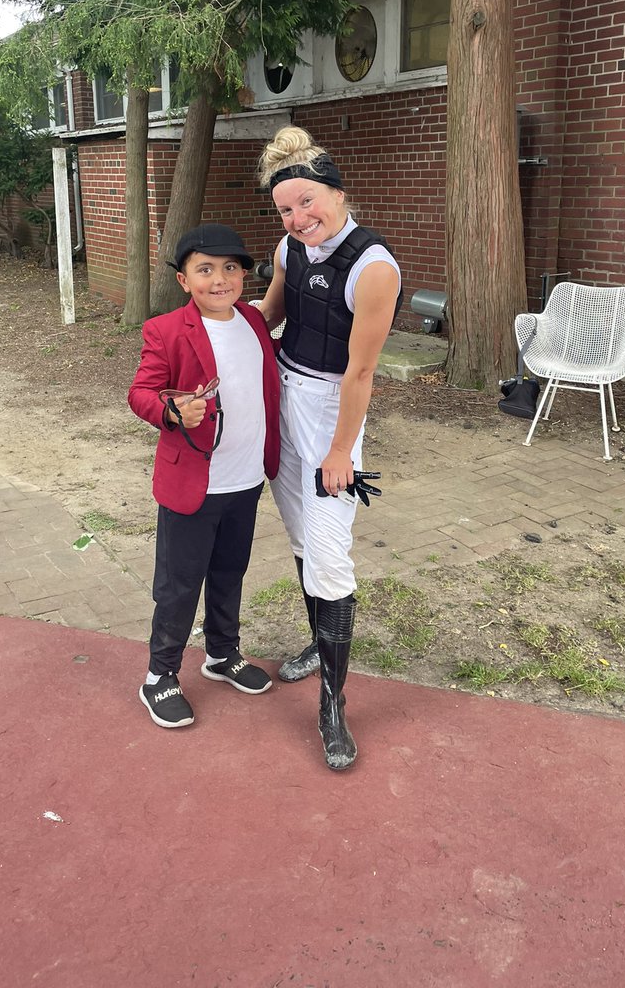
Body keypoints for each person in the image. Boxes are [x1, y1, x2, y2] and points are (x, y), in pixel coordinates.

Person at [255, 126, 401, 770]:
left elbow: (361, 373)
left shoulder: (373, 266)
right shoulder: (290, 245)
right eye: (286, 208)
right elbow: (271, 316)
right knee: (297, 535)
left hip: (329, 411)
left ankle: (333, 704)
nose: (298, 217)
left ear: (338, 193)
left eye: (308, 201)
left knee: (331, 550)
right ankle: (319, 641)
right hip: (282, 396)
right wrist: (204, 322)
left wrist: (342, 451)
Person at [128, 223, 280, 729]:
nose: (220, 279)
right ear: (184, 279)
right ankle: (160, 676)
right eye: (206, 269)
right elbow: (142, 394)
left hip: (245, 478)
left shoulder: (254, 322)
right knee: (178, 583)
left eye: (230, 268)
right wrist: (174, 413)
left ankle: (222, 653)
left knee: (229, 571)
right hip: (194, 483)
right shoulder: (166, 329)